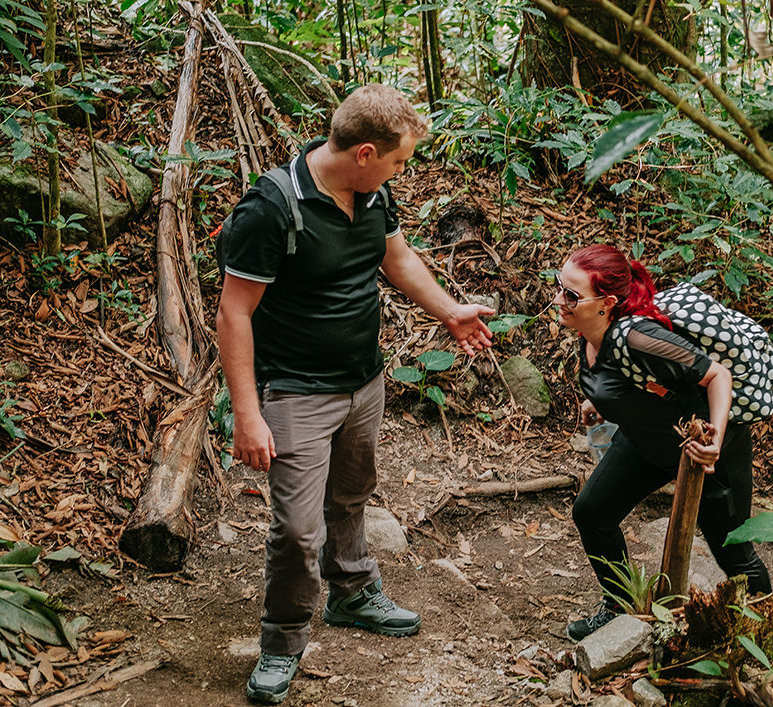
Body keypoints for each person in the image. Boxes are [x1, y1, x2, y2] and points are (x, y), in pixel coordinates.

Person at [215, 84, 494, 704]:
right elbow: (234, 313)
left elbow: (397, 259)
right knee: (294, 528)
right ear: (365, 151)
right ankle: (283, 641)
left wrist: (449, 312)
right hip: (294, 392)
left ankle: (352, 593)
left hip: (362, 381)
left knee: (350, 494)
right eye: (400, 160)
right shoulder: (271, 208)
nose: (404, 171)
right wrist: (247, 413)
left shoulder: (373, 191)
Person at [553, 244, 771, 641]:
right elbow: (628, 380)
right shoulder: (589, 330)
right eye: (559, 286)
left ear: (608, 302)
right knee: (592, 513)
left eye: (571, 295)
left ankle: (767, 637)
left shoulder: (639, 338)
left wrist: (716, 439)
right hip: (646, 443)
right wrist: (599, 400)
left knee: (734, 553)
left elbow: (717, 376)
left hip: (703, 453)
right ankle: (619, 609)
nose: (559, 300)